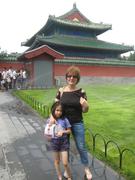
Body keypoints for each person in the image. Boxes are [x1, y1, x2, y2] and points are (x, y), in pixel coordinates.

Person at [54, 65, 92, 180]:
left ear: (77, 78)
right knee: (66, 147)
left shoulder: (81, 92)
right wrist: (53, 120)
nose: (71, 78)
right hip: (64, 124)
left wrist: (86, 106)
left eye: (74, 76)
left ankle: (86, 168)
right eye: (69, 76)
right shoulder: (61, 91)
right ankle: (67, 169)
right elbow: (55, 108)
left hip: (77, 123)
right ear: (66, 77)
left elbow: (85, 111)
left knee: (81, 146)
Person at [45, 101, 72, 180]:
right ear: (53, 110)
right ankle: (59, 176)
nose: (59, 112)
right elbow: (47, 131)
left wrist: (63, 131)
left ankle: (69, 176)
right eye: (57, 110)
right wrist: (51, 122)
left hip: (64, 143)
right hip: (54, 143)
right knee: (56, 162)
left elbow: (69, 131)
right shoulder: (50, 120)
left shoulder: (64, 120)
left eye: (61, 111)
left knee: (65, 163)